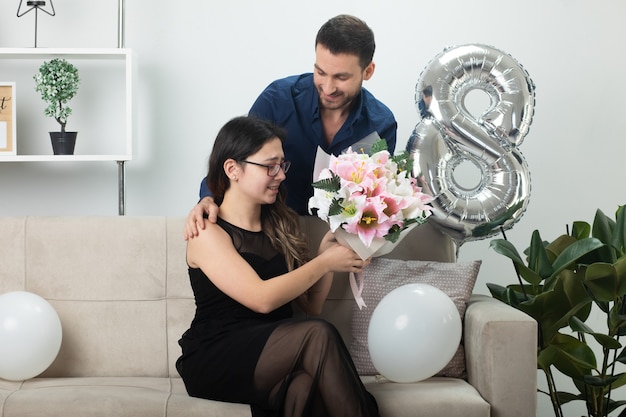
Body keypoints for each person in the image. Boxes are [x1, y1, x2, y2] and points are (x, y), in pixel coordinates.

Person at [176, 115, 380, 417]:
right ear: (233, 169)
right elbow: (261, 299)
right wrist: (323, 263)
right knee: (317, 334)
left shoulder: (281, 226)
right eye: (269, 166)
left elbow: (310, 307)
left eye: (282, 165)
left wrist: (324, 258)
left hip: (277, 351)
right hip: (217, 353)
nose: (280, 175)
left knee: (303, 387)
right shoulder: (207, 233)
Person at [184, 14, 397, 239]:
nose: (328, 87)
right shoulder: (277, 101)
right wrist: (208, 198)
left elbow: (373, 197)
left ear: (368, 71)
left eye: (341, 77)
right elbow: (237, 162)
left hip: (337, 237)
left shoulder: (380, 125)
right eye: (321, 72)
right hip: (268, 232)